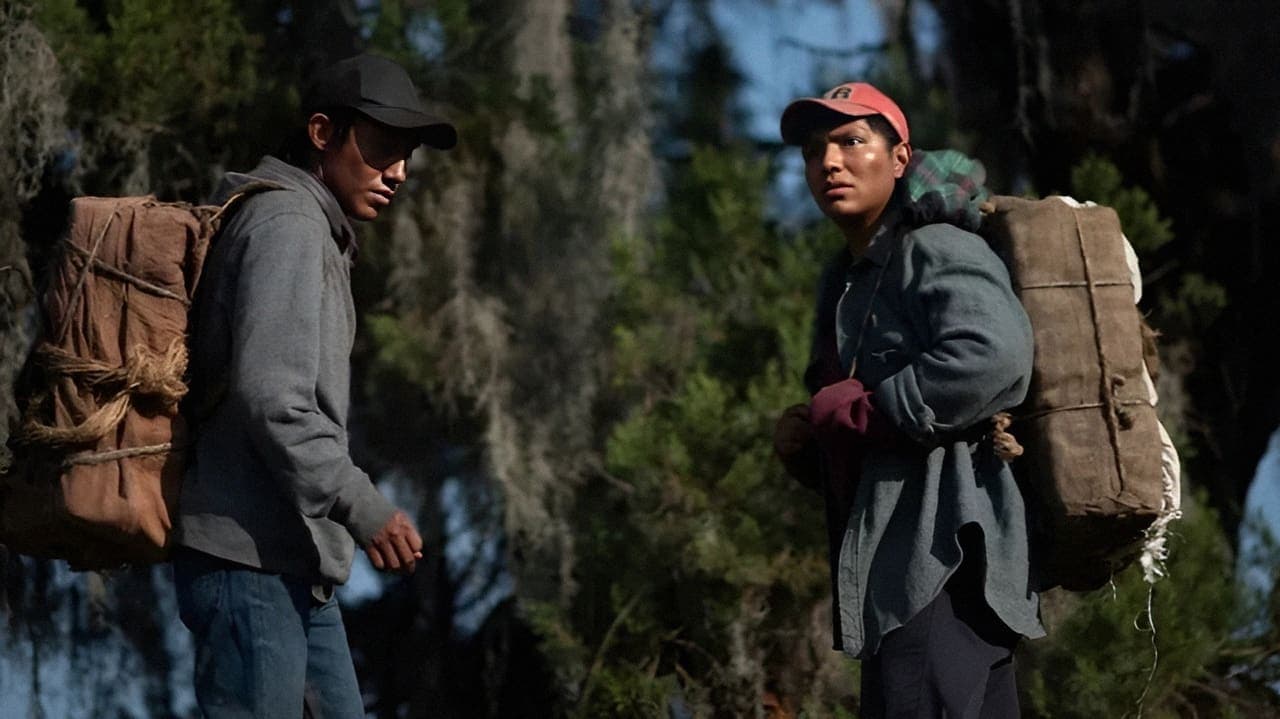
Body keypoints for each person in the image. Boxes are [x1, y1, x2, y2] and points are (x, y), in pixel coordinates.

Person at [173, 54, 457, 718]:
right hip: (249, 564)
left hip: (291, 566)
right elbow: (274, 398)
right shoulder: (289, 225)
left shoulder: (313, 230)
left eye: (407, 154)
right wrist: (362, 505)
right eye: (383, 146)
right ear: (323, 133)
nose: (399, 171)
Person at [773, 82, 1044, 717]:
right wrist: (814, 437)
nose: (829, 162)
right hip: (905, 576)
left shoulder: (934, 246)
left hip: (940, 562)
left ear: (899, 159)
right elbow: (864, 437)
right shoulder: (848, 281)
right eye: (814, 151)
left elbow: (995, 355)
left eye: (851, 141)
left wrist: (866, 412)